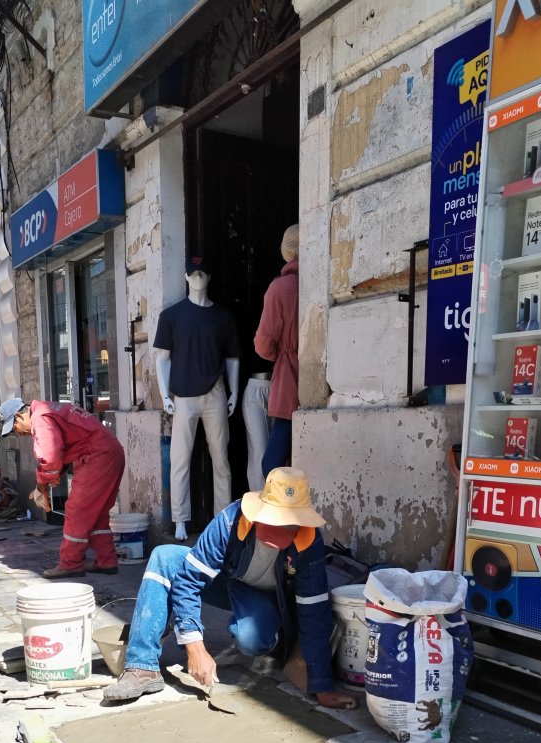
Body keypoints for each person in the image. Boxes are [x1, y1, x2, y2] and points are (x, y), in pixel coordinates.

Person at [103, 467, 357, 710]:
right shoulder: (229, 521)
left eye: (286, 524)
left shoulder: (308, 541)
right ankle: (142, 666)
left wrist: (322, 685)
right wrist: (195, 646)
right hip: (225, 581)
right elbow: (188, 581)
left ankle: (274, 639)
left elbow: (314, 612)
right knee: (165, 557)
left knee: (252, 641)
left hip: (267, 596)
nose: (277, 529)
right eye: (271, 519)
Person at [155, 255, 240, 541]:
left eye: (202, 273)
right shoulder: (171, 316)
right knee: (180, 460)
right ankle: (180, 519)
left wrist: (234, 392)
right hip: (183, 396)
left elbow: (232, 358)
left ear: (209, 277)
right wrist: (164, 393)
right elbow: (162, 358)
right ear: (186, 277)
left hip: (215, 392)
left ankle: (223, 518)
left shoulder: (222, 317)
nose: (198, 278)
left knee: (221, 459)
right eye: (193, 273)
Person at [0, 396, 125, 580]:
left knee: (76, 511)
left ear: (19, 415)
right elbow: (64, 447)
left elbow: (50, 459)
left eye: (14, 429)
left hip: (97, 456)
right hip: (109, 452)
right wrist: (46, 480)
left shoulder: (40, 420)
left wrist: (42, 485)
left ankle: (70, 564)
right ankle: (106, 561)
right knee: (97, 513)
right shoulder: (49, 410)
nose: (18, 434)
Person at [255, 224, 299, 477]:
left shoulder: (279, 288)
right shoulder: (318, 282)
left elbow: (263, 343)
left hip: (288, 377)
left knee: (272, 465)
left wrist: (280, 354)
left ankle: (278, 515)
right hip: (321, 373)